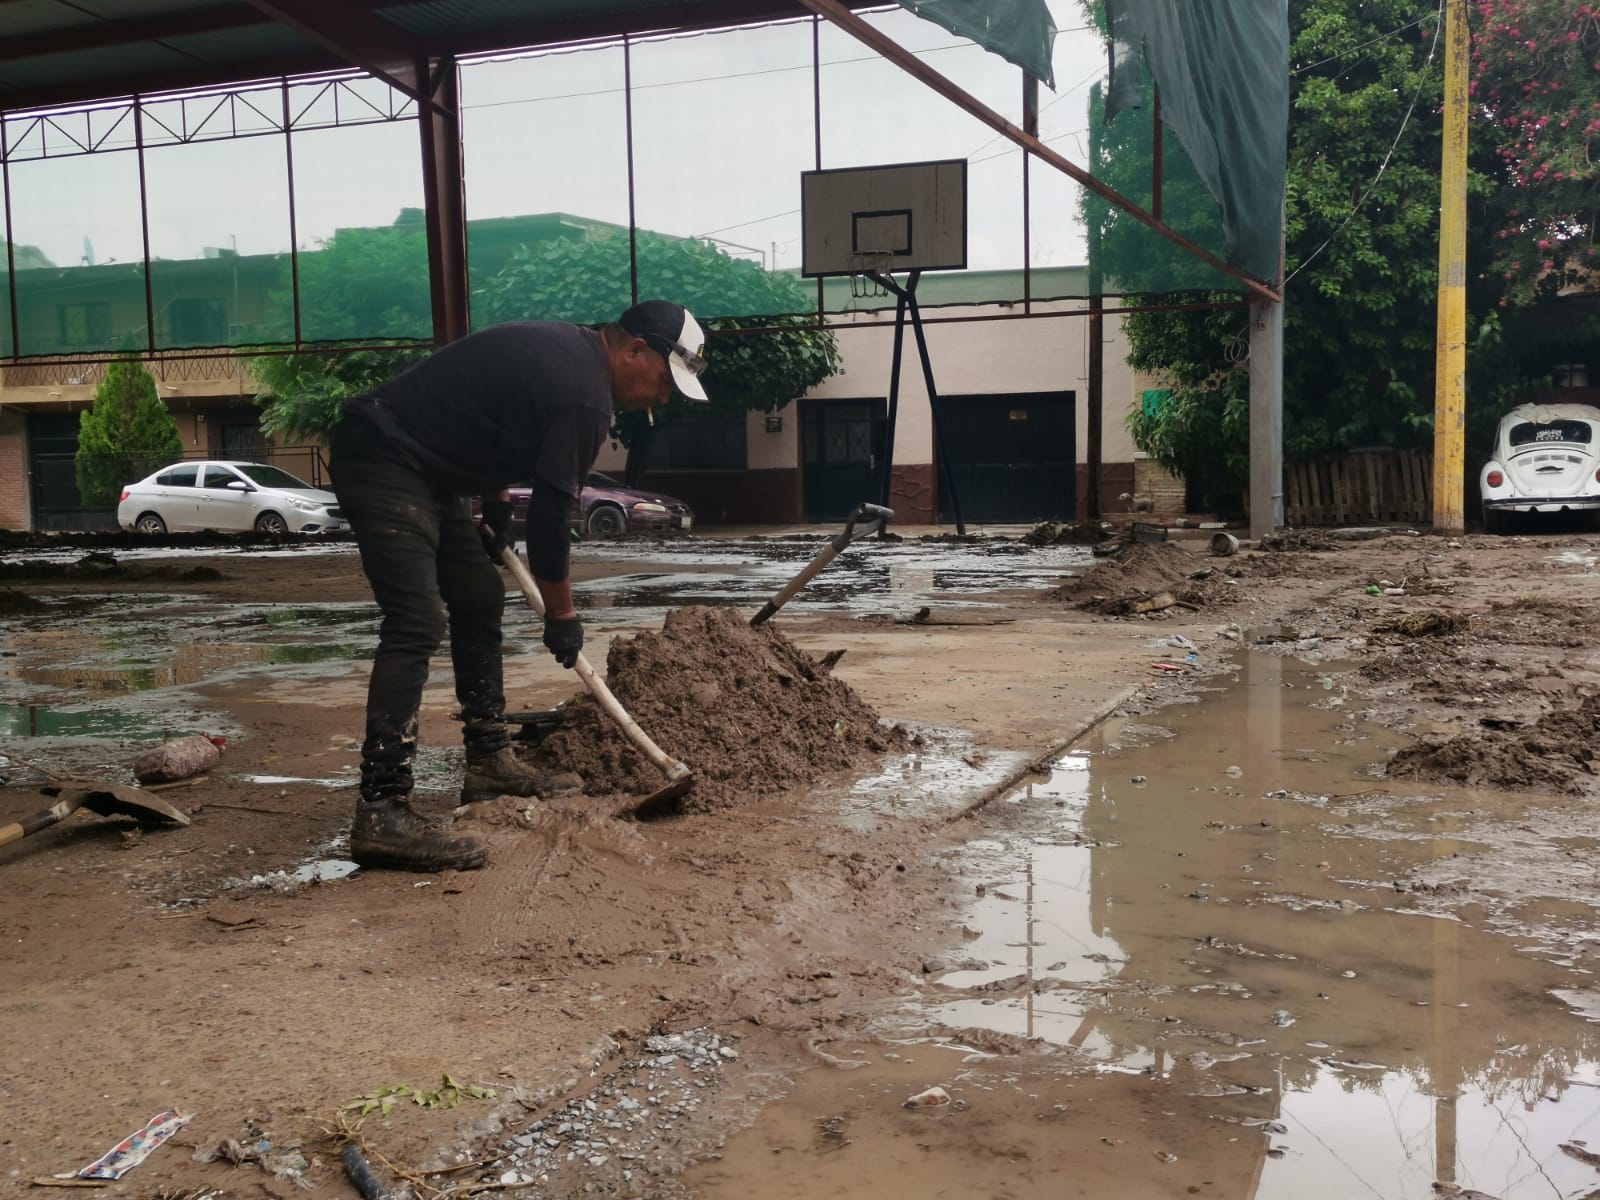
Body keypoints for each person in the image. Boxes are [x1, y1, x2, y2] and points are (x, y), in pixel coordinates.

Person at [327, 300, 710, 872]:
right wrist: (562, 615)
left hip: (435, 471)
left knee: (478, 594)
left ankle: (488, 762)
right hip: (384, 455)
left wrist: (498, 501)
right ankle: (381, 809)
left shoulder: (572, 360)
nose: (662, 396)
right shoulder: (586, 394)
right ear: (634, 350)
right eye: (664, 380)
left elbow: (492, 420)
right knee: (417, 619)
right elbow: (555, 515)